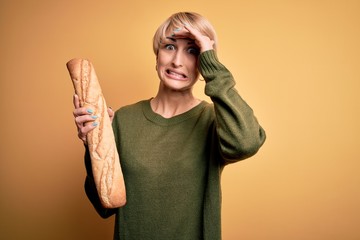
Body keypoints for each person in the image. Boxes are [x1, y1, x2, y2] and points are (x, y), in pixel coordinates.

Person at [72, 12, 266, 240]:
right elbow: (104, 206)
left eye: (193, 50)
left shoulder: (213, 122)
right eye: (170, 47)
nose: (177, 61)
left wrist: (212, 64)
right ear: (157, 56)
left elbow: (247, 143)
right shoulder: (123, 120)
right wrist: (93, 147)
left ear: (203, 62)